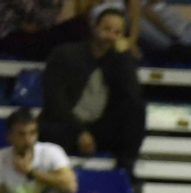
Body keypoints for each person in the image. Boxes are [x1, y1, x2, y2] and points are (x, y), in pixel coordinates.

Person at [39, 4, 145, 176]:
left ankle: (126, 174)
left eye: (117, 32)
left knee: (137, 110)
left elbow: (132, 97)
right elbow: (55, 101)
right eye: (106, 29)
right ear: (95, 28)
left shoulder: (119, 62)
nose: (110, 36)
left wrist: (123, 58)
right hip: (65, 126)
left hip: (98, 129)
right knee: (50, 131)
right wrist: (80, 132)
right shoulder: (65, 54)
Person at [0, 0, 91, 60]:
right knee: (77, 28)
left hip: (38, 35)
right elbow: (33, 12)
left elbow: (56, 20)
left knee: (81, 27)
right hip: (10, 38)